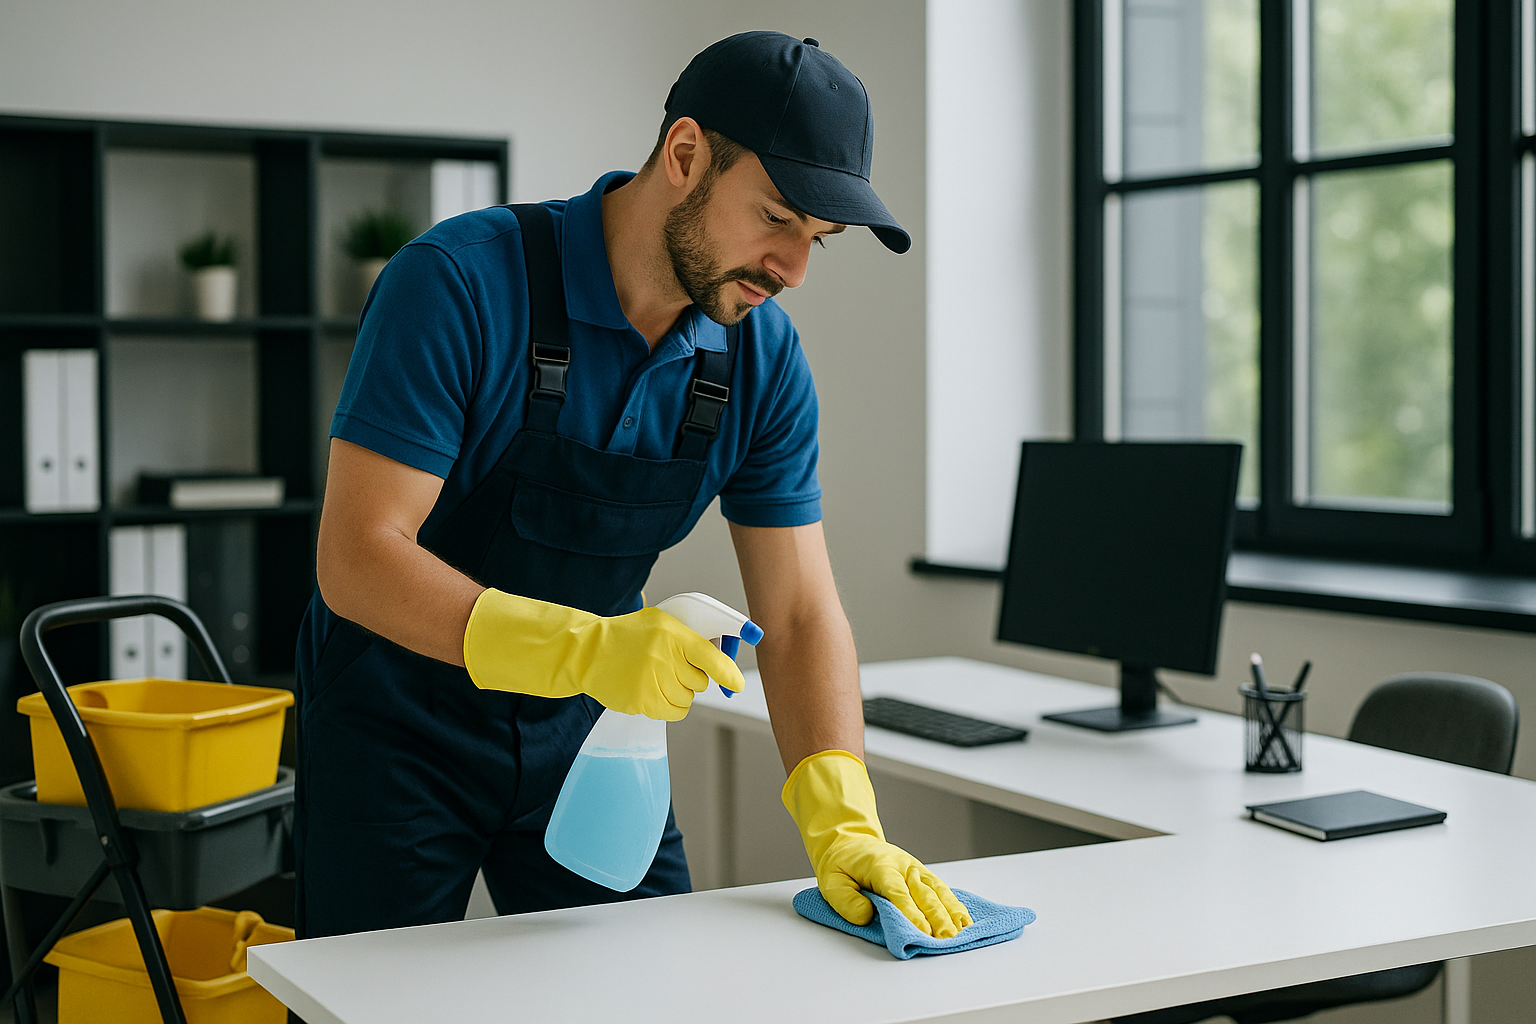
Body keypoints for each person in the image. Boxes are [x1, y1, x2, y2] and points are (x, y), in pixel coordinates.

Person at [295, 30, 971, 942]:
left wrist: (843, 814)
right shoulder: (459, 283)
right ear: (686, 155)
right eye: (776, 216)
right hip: (395, 726)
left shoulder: (761, 358)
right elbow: (359, 558)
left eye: (819, 239)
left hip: (591, 740)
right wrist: (587, 651)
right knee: (372, 1003)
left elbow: (803, 612)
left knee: (646, 991)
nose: (792, 270)